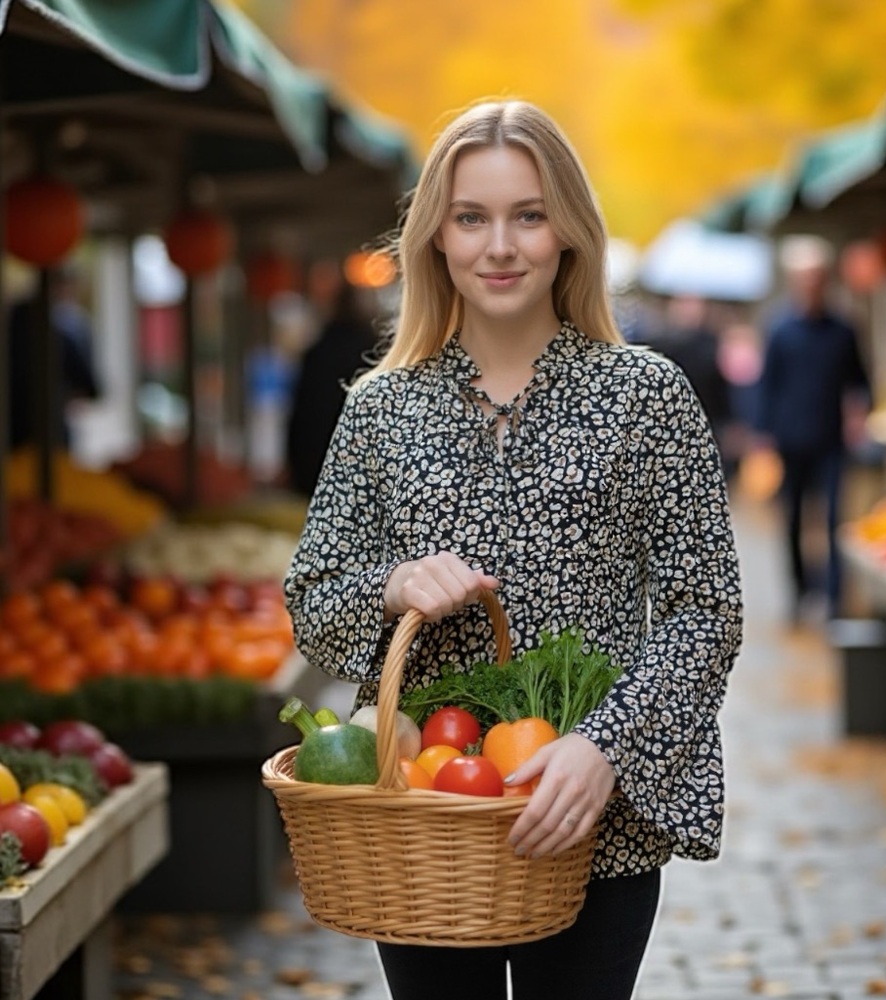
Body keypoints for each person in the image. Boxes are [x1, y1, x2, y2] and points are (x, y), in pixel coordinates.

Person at [284, 100, 743, 1000]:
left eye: (528, 215)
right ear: (437, 239)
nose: (501, 245)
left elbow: (706, 613)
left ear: (567, 232)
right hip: (428, 815)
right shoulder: (381, 409)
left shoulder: (647, 398)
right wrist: (391, 583)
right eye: (472, 217)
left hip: (590, 818)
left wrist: (607, 747)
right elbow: (314, 596)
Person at [755, 236, 870, 622]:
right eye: (805, 276)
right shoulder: (780, 329)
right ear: (794, 280)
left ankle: (835, 598)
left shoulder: (843, 329)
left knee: (836, 519)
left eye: (818, 276)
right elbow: (766, 384)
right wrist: (763, 435)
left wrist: (859, 413)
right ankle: (800, 592)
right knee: (793, 520)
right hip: (790, 440)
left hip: (832, 440)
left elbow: (860, 382)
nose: (812, 283)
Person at [284, 260, 379, 497]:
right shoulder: (378, 351)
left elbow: (302, 416)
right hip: (368, 468)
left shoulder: (318, 353)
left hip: (319, 465)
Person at [630, 291, 734, 467]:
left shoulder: (709, 344)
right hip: (668, 424)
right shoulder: (656, 344)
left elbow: (719, 386)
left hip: (703, 420)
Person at [6, 265, 100, 451]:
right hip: (47, 429)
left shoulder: (14, 324)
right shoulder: (59, 331)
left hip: (13, 431)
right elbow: (88, 385)